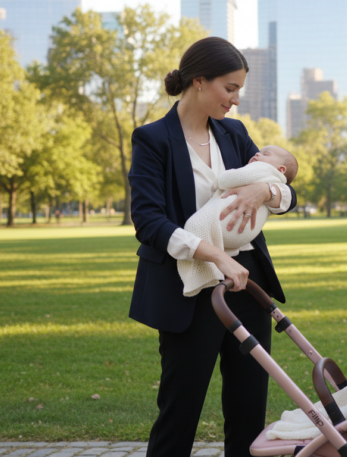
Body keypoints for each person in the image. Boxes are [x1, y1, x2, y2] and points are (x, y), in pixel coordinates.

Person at [128, 37, 297, 457]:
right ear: (199, 82)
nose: (236, 100)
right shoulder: (152, 139)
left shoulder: (234, 133)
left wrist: (264, 191)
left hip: (247, 285)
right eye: (230, 88)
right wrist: (216, 255)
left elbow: (287, 192)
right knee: (179, 412)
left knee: (248, 411)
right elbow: (149, 222)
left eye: (239, 89)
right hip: (187, 290)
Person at [178, 145, 298, 297]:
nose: (257, 154)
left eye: (265, 154)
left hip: (230, 227)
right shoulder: (272, 176)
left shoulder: (262, 169)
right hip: (242, 235)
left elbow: (226, 180)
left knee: (194, 226)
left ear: (281, 169)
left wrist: (265, 190)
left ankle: (202, 275)